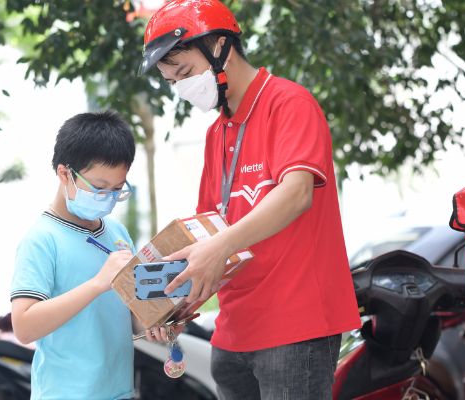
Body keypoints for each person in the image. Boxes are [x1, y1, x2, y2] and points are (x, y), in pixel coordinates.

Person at [140, 1, 361, 398]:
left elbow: (296, 194)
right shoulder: (217, 133)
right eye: (172, 81)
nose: (182, 87)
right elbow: (207, 232)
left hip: (296, 325)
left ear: (220, 46)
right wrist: (174, 305)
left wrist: (219, 245)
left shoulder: (288, 103)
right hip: (233, 332)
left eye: (185, 72)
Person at [10, 111, 138, 400]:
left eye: (117, 190)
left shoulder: (116, 231)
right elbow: (24, 326)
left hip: (119, 392)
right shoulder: (42, 239)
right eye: (99, 188)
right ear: (64, 173)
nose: (108, 198)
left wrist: (160, 321)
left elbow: (124, 314)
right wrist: (97, 284)